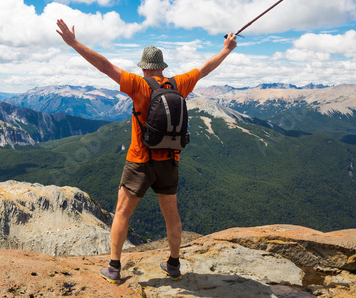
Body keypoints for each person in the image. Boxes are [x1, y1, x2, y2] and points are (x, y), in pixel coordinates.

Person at [56, 18, 237, 283]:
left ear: (143, 68)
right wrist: (226, 49)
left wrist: (74, 44)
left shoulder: (138, 85)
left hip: (140, 161)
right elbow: (204, 70)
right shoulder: (179, 84)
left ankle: (114, 268)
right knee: (171, 214)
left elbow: (104, 66)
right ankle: (174, 265)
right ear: (162, 68)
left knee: (122, 213)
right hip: (170, 160)